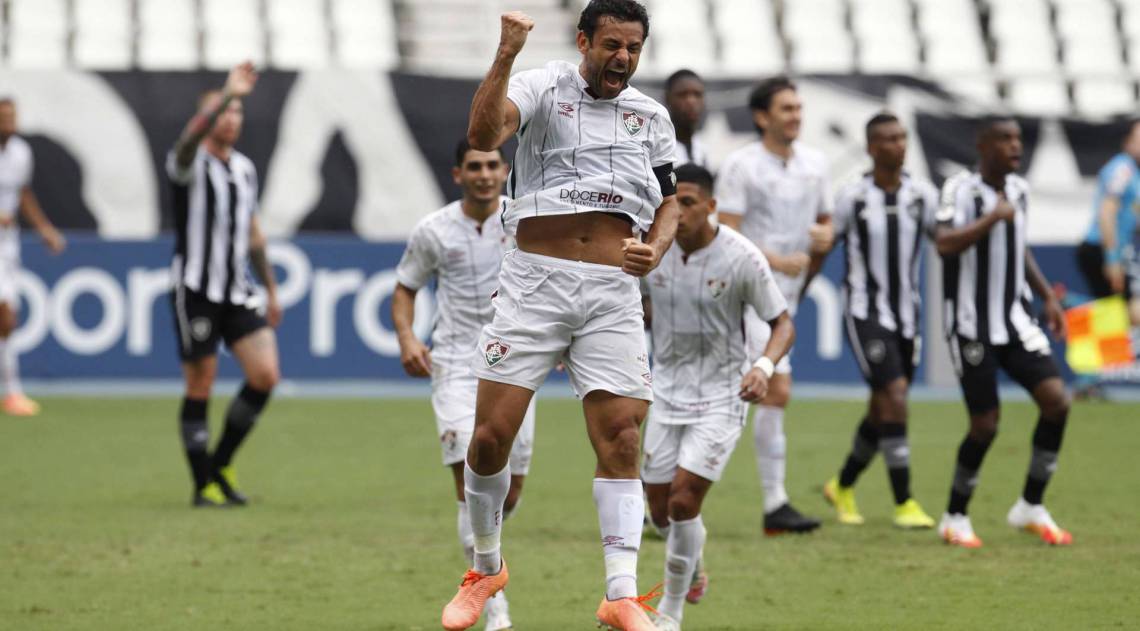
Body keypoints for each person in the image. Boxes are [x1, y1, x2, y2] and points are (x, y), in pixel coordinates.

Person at [441, 2, 679, 630]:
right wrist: (505, 54)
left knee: (623, 437)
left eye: (632, 48)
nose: (622, 59)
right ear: (583, 41)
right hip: (533, 284)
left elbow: (671, 204)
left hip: (611, 292)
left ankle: (621, 592)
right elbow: (485, 136)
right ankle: (486, 566)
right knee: (489, 439)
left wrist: (653, 247)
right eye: (611, 45)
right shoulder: (542, 85)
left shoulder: (651, 117)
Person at [640, 164, 793, 631]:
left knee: (685, 502)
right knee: (661, 509)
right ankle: (694, 561)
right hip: (665, 390)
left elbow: (782, 323)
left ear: (711, 206)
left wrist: (762, 367)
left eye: (689, 202)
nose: (679, 211)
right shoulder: (654, 249)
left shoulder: (742, 258)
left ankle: (671, 611)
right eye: (674, 202)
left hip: (723, 394)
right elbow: (634, 305)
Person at [393, 140, 535, 631]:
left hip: (517, 360)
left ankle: (487, 548)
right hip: (454, 363)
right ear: (459, 174)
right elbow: (405, 287)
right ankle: (493, 605)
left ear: (505, 170)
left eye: (492, 165)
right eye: (474, 166)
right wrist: (409, 336)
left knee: (508, 492)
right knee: (468, 482)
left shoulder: (525, 221)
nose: (483, 174)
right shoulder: (434, 230)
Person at [934, 117, 1073, 548]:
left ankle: (1030, 505)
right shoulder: (960, 189)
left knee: (1057, 403)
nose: (1016, 147)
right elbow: (943, 243)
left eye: (1018, 139)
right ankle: (955, 515)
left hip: (1015, 320)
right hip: (971, 327)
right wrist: (992, 219)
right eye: (1006, 139)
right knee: (985, 425)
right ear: (983, 144)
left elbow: (1020, 247)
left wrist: (1047, 295)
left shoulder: (1020, 190)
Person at [715, 76, 831, 535]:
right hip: (746, 296)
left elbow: (825, 223)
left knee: (746, 395)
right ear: (762, 117)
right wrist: (775, 259)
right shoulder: (742, 166)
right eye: (786, 108)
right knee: (765, 391)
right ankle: (772, 502)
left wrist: (826, 236)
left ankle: (772, 504)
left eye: (798, 108)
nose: (795, 116)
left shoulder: (815, 164)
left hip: (788, 295)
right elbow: (726, 232)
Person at [167, 62, 282, 508]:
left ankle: (221, 464)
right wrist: (227, 95)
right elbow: (187, 140)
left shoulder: (244, 170)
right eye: (223, 112)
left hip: (237, 289)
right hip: (195, 289)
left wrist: (270, 288)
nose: (231, 119)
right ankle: (202, 486)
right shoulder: (188, 162)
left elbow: (253, 234)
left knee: (265, 375)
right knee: (202, 384)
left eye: (237, 113)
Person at [821, 113, 937, 529]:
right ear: (871, 147)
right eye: (888, 139)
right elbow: (825, 242)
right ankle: (904, 501)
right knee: (896, 395)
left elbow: (944, 242)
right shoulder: (852, 195)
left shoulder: (922, 194)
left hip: (908, 315)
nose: (898, 145)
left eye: (902, 137)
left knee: (883, 406)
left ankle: (843, 484)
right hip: (865, 312)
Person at [0, 97, 66, 416]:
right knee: (5, 314)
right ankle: (12, 390)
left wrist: (44, 228)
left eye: (12, 116)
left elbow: (23, 194)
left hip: (6, 246)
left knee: (7, 317)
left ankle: (12, 392)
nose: (9, 122)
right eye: (3, 117)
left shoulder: (21, 153)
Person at [1073, 121, 1140, 397]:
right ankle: (1087, 380)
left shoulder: (1133, 173)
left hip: (1111, 251)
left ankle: (1087, 381)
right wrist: (1112, 258)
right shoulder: (1122, 169)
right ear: (1127, 140)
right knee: (1123, 313)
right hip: (1100, 249)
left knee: (1111, 315)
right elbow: (1107, 212)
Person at [664, 69, 708, 168]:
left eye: (697, 95)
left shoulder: (704, 150)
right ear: (667, 98)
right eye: (682, 95)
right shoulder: (657, 149)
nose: (691, 102)